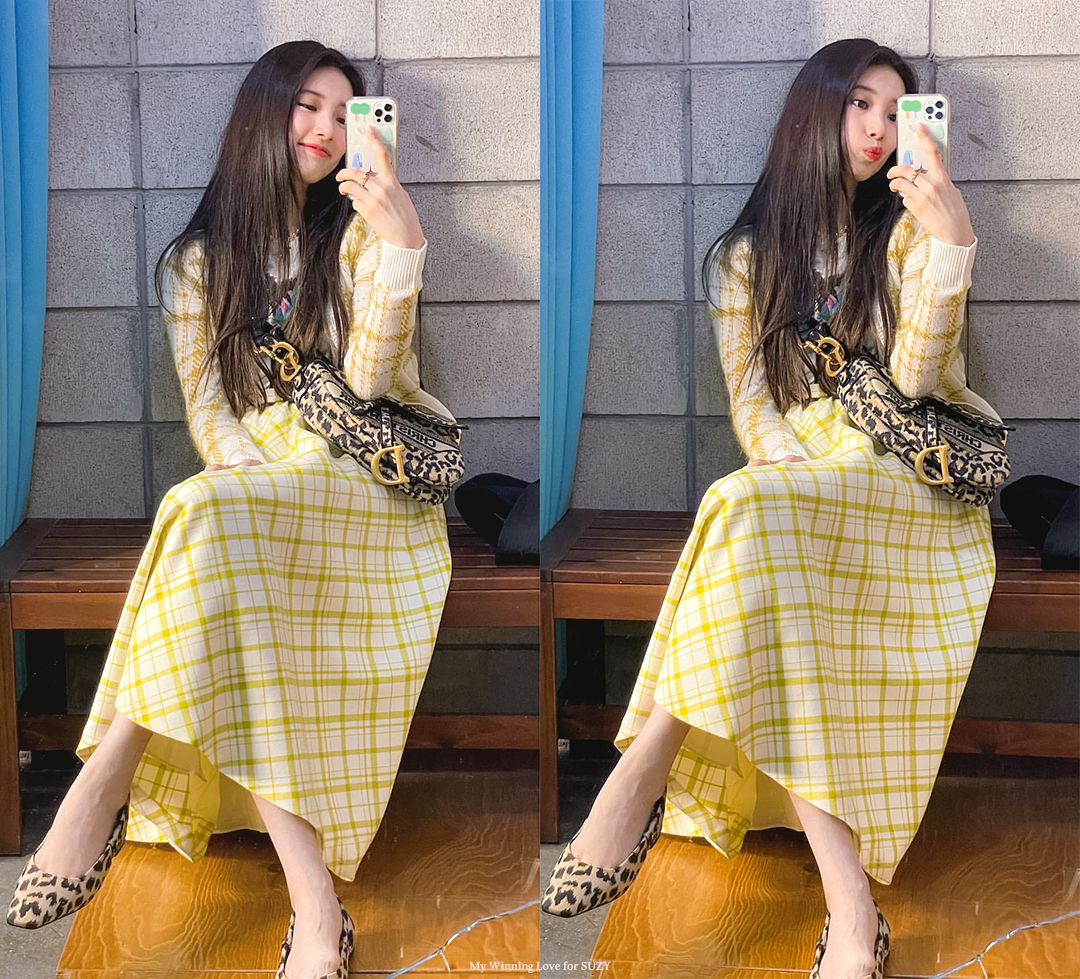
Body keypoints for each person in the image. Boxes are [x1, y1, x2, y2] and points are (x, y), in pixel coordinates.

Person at [542, 38, 1001, 979]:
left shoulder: (914, 234)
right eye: (860, 103)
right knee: (763, 519)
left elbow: (916, 385)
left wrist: (950, 244)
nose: (878, 128)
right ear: (814, 110)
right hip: (801, 494)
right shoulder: (747, 259)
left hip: (913, 490)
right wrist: (800, 477)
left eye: (897, 112)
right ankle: (851, 906)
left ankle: (639, 771)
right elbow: (757, 415)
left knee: (748, 509)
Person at [7, 40, 452, 979]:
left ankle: (102, 780)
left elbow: (371, 385)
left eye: (342, 113)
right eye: (306, 106)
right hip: (258, 492)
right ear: (263, 111)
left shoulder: (361, 236)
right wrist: (254, 481)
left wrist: (402, 243)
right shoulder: (198, 264)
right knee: (221, 519)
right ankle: (316, 906)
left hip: (365, 488)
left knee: (208, 514)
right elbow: (211, 416)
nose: (325, 129)